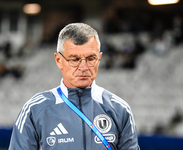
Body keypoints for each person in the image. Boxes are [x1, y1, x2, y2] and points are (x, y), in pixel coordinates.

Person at [9, 23, 140, 150]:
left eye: (90, 59)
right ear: (59, 60)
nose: (83, 67)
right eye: (75, 59)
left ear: (99, 59)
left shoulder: (120, 109)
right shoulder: (35, 110)